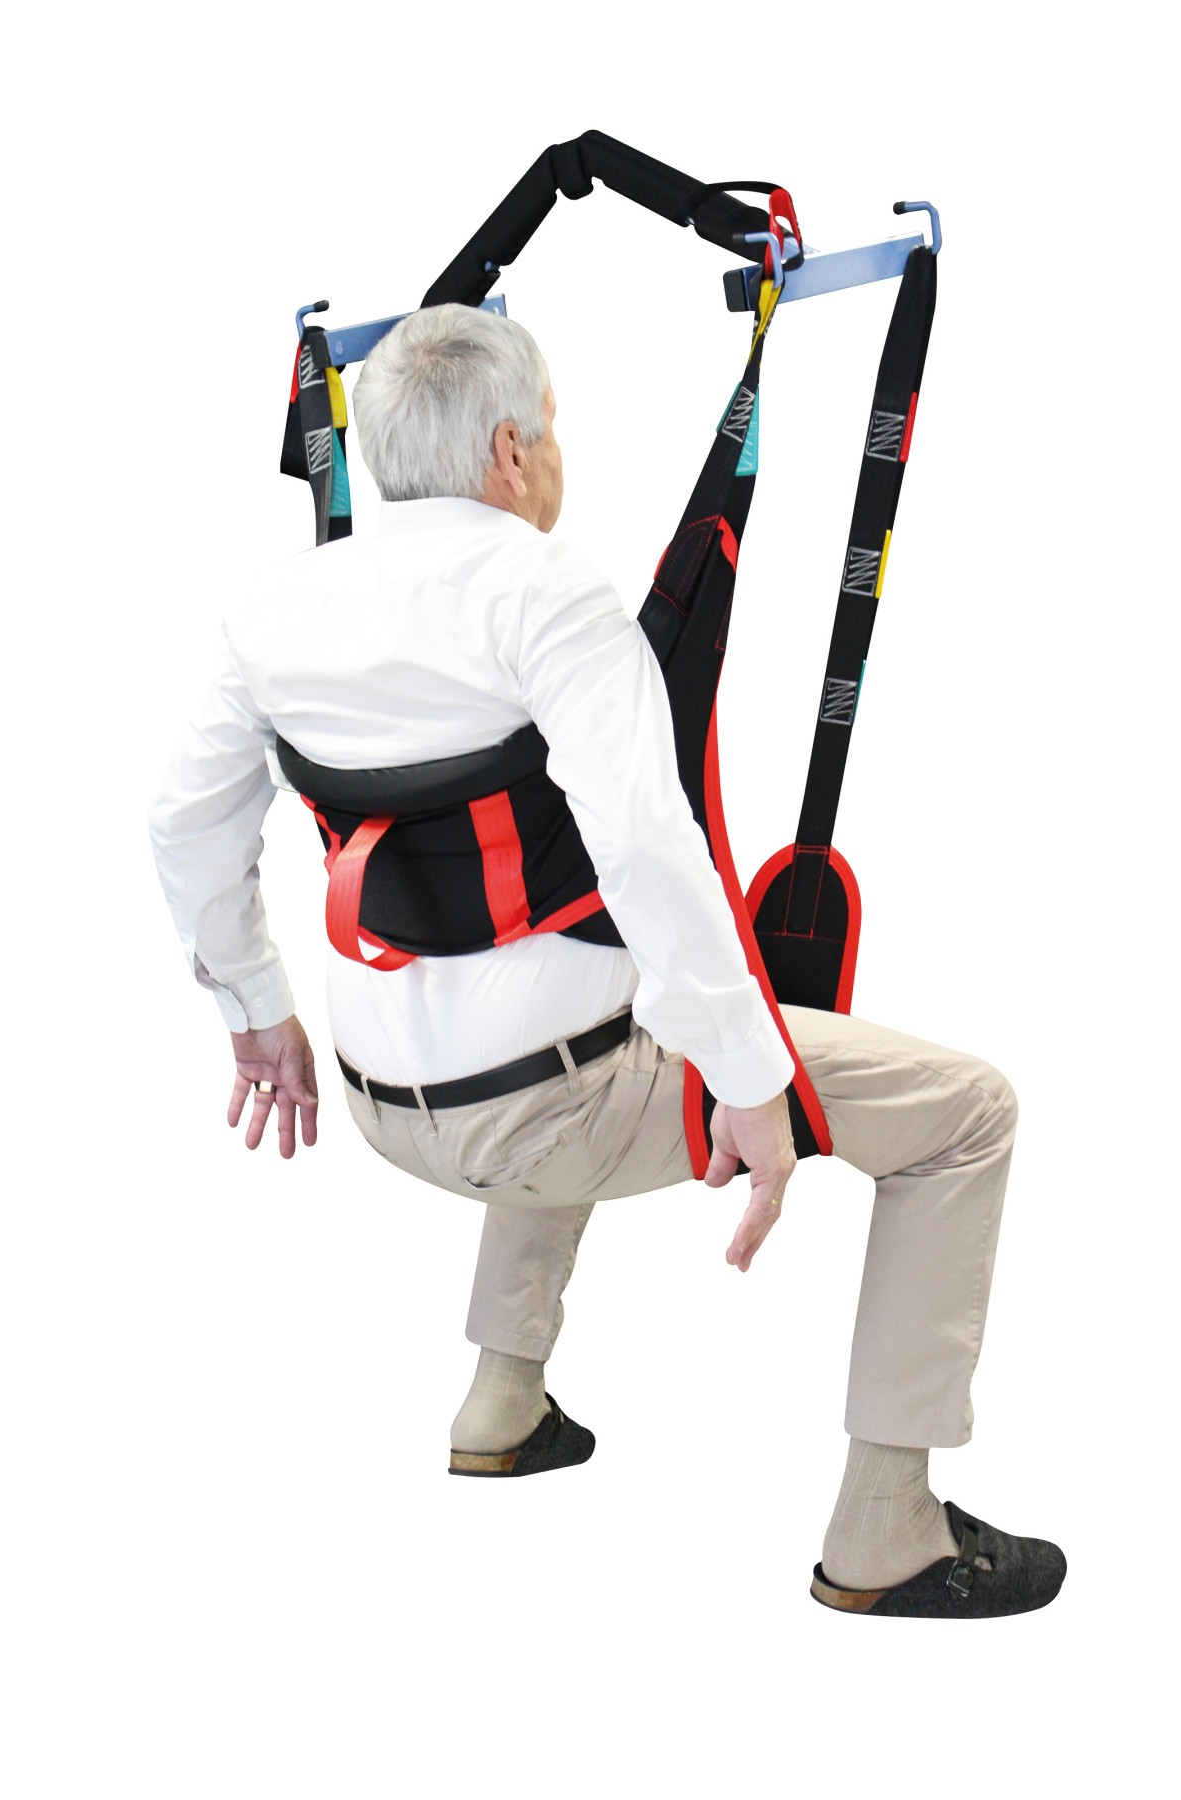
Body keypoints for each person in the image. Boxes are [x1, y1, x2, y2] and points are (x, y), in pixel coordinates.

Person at [148, 303, 1064, 1618]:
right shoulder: (549, 592)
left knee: (569, 1001)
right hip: (554, 1113)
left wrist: (255, 1010)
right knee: (968, 1115)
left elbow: (182, 825)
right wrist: (751, 1084)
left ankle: (502, 1402)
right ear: (510, 452)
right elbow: (645, 846)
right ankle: (888, 1533)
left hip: (378, 1109)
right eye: (554, 428)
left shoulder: (272, 611)